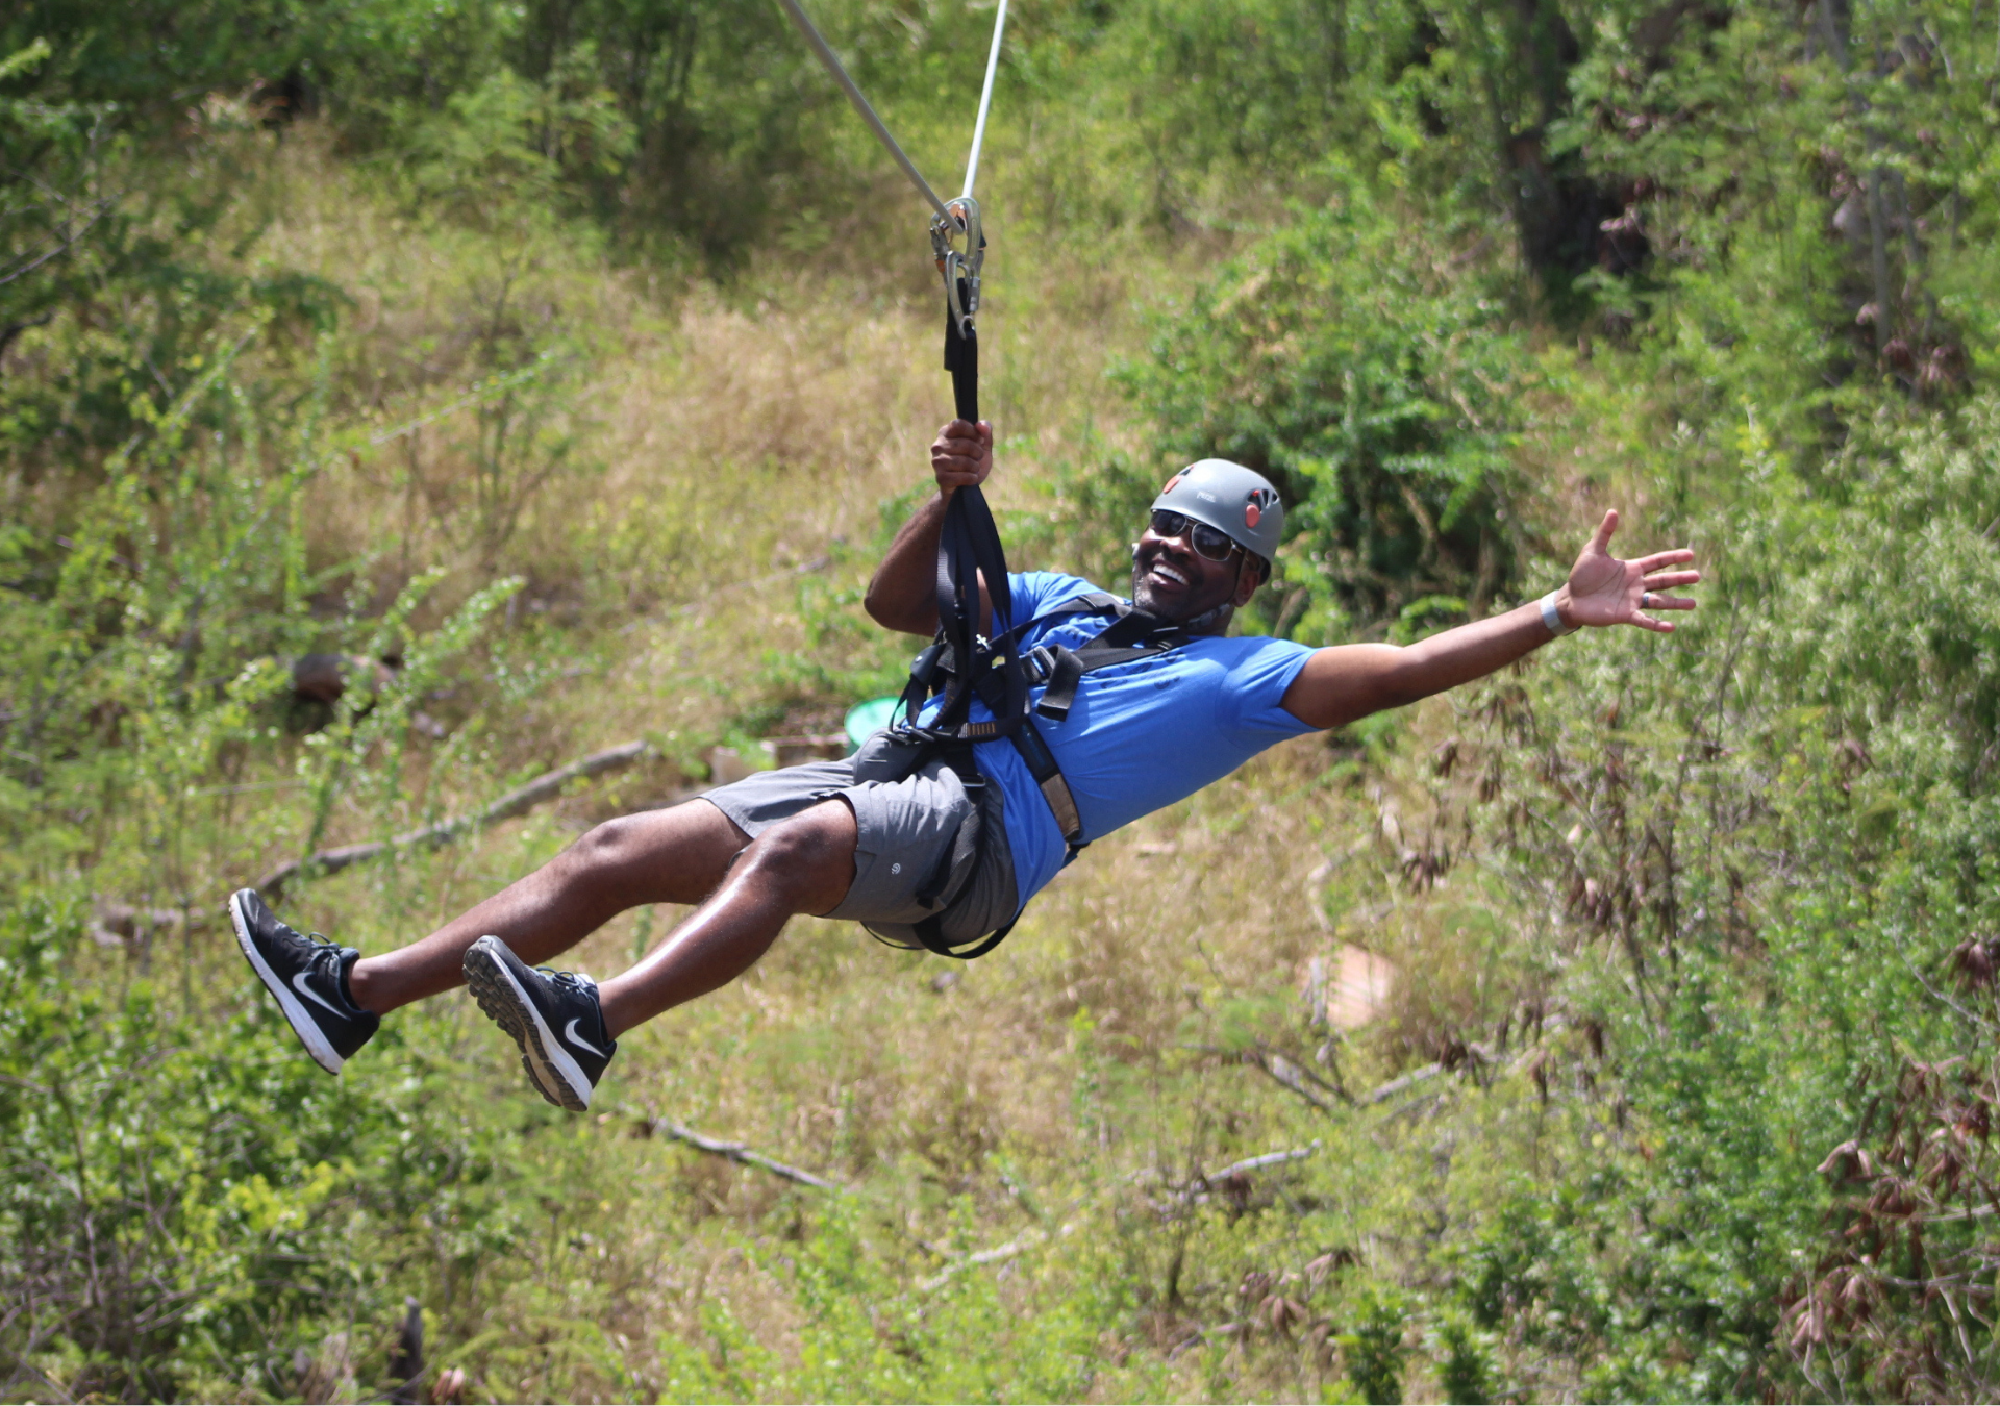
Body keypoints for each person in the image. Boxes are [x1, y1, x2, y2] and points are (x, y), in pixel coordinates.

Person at [230, 419, 1700, 1110]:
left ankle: (596, 1020)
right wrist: (951, 503)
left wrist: (1557, 614)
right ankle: (349, 992)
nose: (1166, 549)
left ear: (1242, 580)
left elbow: (1412, 667)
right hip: (897, 769)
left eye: (1202, 544)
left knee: (797, 854)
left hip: (981, 837)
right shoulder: (1054, 593)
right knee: (615, 846)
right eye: (1163, 526)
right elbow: (890, 608)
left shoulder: (1239, 677)